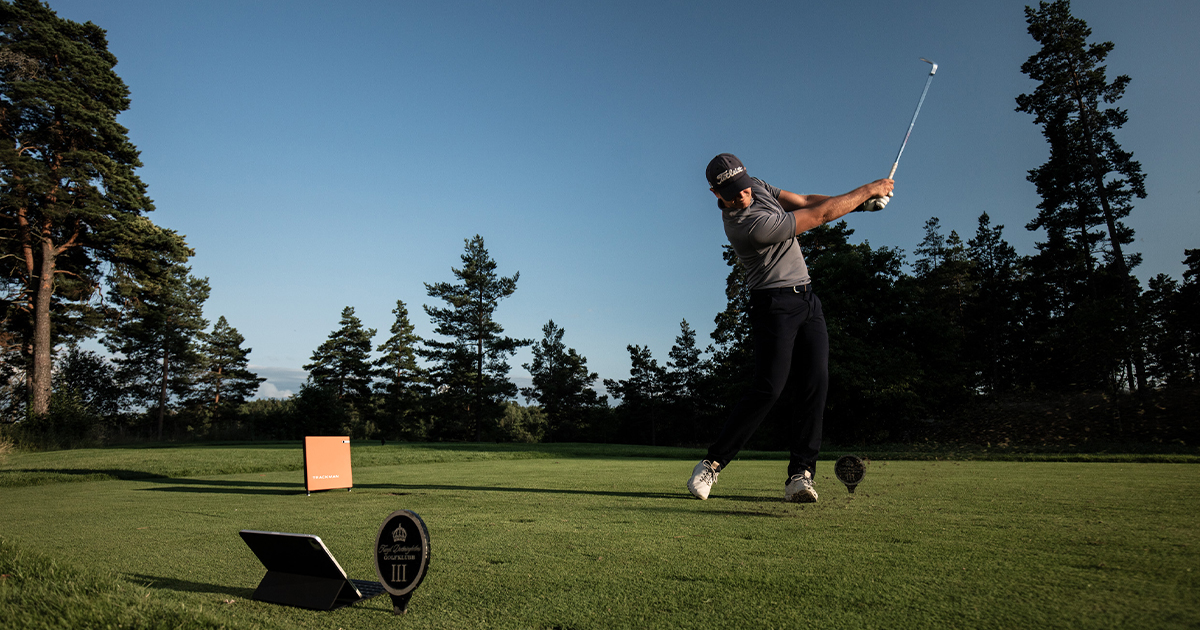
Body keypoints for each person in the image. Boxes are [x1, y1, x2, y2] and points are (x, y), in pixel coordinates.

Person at [688, 153, 894, 502]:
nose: (743, 195)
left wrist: (861, 206)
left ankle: (801, 474)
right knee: (769, 388)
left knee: (816, 382)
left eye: (743, 187)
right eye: (733, 193)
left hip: (808, 300)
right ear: (715, 194)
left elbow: (806, 201)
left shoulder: (755, 186)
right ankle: (712, 463)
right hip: (773, 306)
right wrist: (866, 190)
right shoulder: (746, 226)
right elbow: (819, 215)